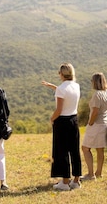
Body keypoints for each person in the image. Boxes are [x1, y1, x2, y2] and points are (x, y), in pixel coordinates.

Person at [41, 63, 82, 191]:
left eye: (59, 72)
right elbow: (66, 92)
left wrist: (52, 119)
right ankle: (76, 180)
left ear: (62, 74)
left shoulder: (61, 89)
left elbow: (59, 110)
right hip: (74, 120)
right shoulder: (76, 86)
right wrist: (52, 86)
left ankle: (64, 182)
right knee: (74, 150)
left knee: (62, 151)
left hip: (62, 122)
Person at [81, 72, 107, 181]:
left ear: (95, 82)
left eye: (92, 81)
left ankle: (91, 175)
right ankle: (98, 172)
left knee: (85, 148)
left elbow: (95, 111)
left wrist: (90, 123)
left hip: (97, 124)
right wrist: (106, 115)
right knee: (100, 149)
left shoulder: (97, 95)